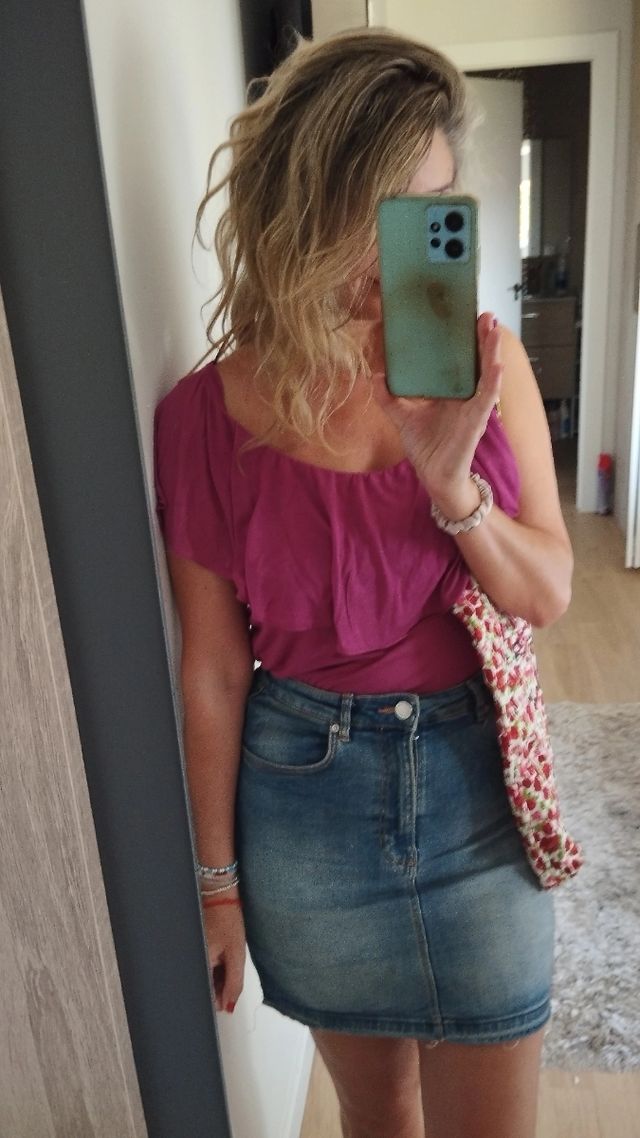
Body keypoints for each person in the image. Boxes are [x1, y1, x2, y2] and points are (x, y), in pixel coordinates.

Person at [154, 27, 579, 1138]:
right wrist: (215, 886)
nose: (403, 246)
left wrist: (454, 490)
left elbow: (545, 594)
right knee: (376, 1116)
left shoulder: (486, 369)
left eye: (431, 208)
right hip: (306, 807)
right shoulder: (203, 417)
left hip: (477, 794)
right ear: (309, 203)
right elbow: (213, 670)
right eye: (383, 208)